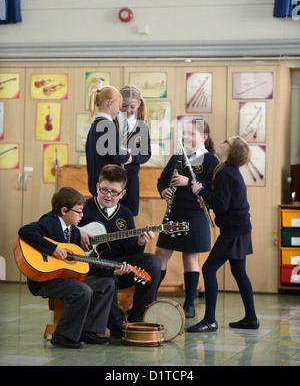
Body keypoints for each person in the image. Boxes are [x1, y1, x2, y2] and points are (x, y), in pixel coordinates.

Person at [18, 187, 127, 348]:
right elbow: (25, 230)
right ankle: (62, 336)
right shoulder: (49, 222)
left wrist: (112, 270)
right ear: (64, 210)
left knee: (107, 283)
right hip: (44, 279)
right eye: (79, 212)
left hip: (64, 277)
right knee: (81, 290)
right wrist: (52, 248)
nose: (82, 216)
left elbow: (85, 263)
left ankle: (88, 331)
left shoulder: (74, 232)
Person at [187, 136, 260, 333]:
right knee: (239, 272)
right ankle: (251, 319)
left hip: (234, 231)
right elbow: (222, 201)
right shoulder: (228, 170)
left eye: (225, 141)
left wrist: (201, 190)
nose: (222, 142)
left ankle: (210, 320)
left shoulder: (226, 172)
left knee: (209, 269)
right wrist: (208, 199)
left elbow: (222, 204)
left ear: (230, 150)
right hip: (240, 228)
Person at [79, 164, 161, 322]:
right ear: (97, 187)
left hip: (118, 266)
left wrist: (139, 242)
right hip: (90, 267)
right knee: (106, 281)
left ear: (122, 193)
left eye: (114, 192)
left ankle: (137, 320)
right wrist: (78, 232)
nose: (108, 195)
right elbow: (59, 226)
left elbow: (132, 253)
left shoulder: (125, 214)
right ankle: (119, 326)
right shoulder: (83, 208)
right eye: (104, 189)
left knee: (153, 263)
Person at [155, 119, 219, 318]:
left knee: (190, 258)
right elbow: (162, 180)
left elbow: (211, 187)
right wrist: (163, 190)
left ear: (204, 137)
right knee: (159, 255)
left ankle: (189, 304)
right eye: (184, 133)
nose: (186, 137)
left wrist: (188, 181)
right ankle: (147, 299)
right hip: (174, 213)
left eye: (191, 134)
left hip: (195, 214)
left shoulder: (211, 160)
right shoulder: (177, 157)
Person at [85, 86, 131, 197]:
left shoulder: (95, 124)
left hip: (96, 183)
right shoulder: (108, 125)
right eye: (118, 106)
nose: (119, 111)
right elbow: (117, 155)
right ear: (110, 103)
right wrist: (127, 153)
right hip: (107, 187)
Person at [115, 85, 151, 216]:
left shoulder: (142, 126)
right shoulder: (111, 123)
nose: (128, 110)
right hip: (112, 178)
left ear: (139, 105)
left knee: (128, 215)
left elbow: (146, 154)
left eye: (132, 107)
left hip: (131, 179)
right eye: (124, 106)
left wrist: (132, 158)